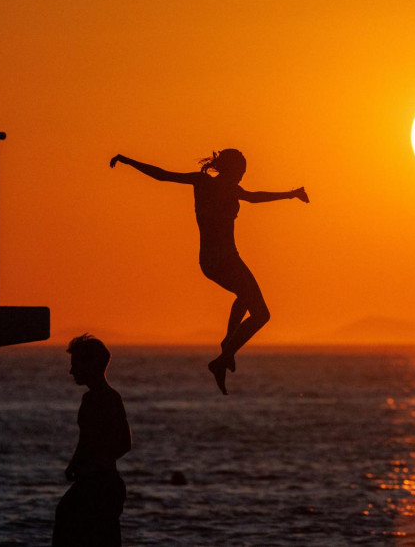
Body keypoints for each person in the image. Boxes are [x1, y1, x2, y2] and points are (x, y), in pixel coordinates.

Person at [110, 149, 308, 394]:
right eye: (240, 170)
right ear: (229, 168)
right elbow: (162, 175)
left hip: (226, 259)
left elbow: (256, 197)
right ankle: (224, 354)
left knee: (254, 307)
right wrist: (129, 160)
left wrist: (291, 195)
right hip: (219, 260)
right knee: (256, 308)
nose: (243, 175)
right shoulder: (202, 182)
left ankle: (225, 351)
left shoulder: (232, 190)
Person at [53, 334, 132, 547]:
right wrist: (75, 463)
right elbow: (86, 439)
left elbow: (124, 443)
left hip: (101, 484)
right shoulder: (91, 399)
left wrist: (95, 463)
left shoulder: (108, 398)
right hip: (93, 481)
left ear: (92, 364)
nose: (72, 371)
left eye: (76, 364)